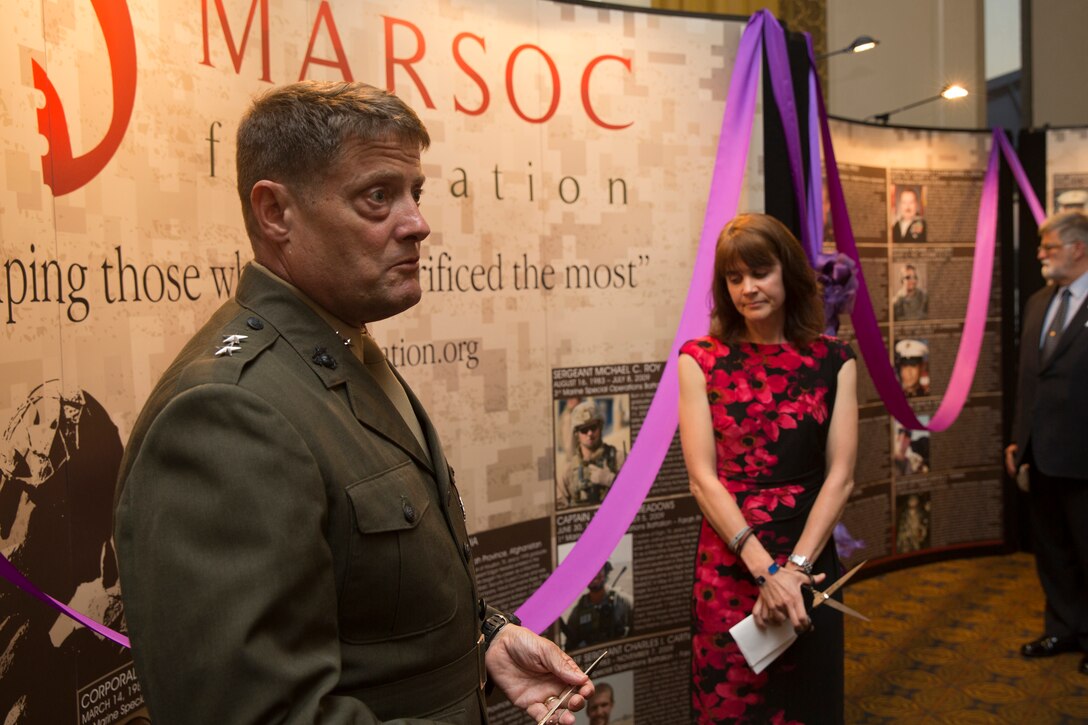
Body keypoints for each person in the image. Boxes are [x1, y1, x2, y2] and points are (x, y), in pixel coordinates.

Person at [113, 81, 593, 724]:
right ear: (275, 212)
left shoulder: (336, 352)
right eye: (378, 196)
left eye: (415, 193)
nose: (417, 223)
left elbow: (369, 605)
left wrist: (485, 643)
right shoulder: (227, 413)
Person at [678, 213, 858, 722]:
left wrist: (794, 571)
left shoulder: (834, 360)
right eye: (734, 278)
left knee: (808, 703)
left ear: (788, 273)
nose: (747, 288)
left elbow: (841, 476)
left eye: (760, 273)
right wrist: (766, 571)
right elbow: (702, 480)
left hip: (809, 557)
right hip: (731, 561)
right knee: (731, 707)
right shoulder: (700, 359)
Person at [1004, 210, 1088, 676]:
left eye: (1049, 247)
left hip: (1083, 455)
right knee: (1052, 551)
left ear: (1078, 249)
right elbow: (1029, 381)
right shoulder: (1039, 301)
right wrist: (1019, 441)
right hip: (1041, 453)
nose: (1040, 255)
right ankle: (1062, 627)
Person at [557, 401, 626, 509]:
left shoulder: (619, 458)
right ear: (577, 433)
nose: (589, 433)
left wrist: (610, 480)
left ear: (600, 427)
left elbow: (637, 493)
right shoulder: (568, 471)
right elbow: (560, 507)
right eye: (584, 429)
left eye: (593, 427)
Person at [561, 561, 633, 651]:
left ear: (606, 571)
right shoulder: (578, 612)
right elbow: (570, 646)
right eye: (588, 571)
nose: (593, 575)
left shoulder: (622, 602)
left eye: (598, 569)